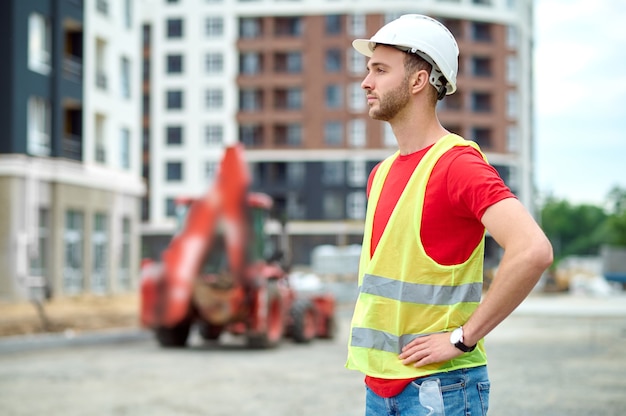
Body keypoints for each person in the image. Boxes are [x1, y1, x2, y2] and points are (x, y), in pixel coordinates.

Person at [345, 14, 553, 416]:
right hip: (381, 386)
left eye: (380, 70)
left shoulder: (457, 165)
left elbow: (533, 250)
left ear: (418, 81)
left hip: (440, 387)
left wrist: (463, 337)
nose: (366, 82)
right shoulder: (381, 174)